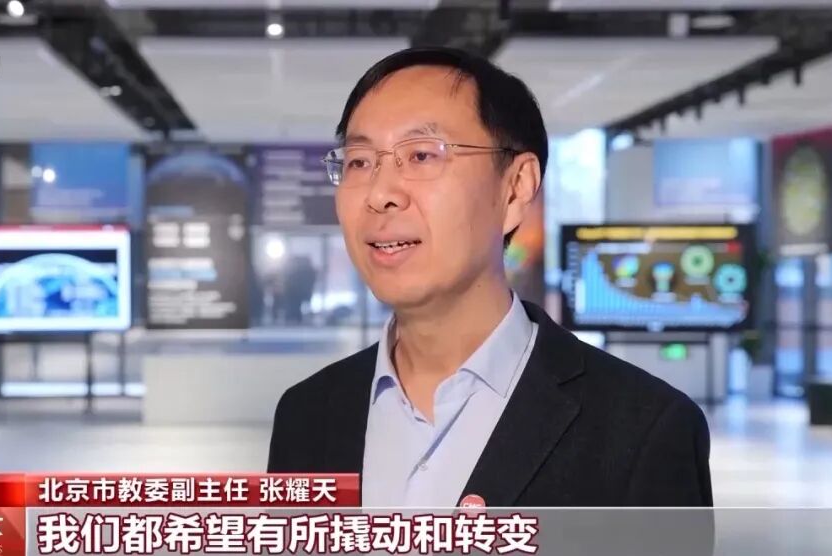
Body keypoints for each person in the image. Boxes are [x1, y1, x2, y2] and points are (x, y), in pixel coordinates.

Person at [267, 47, 713, 508]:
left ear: (515, 188)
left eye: (421, 155)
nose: (380, 194)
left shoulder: (644, 431)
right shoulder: (306, 414)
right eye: (359, 161)